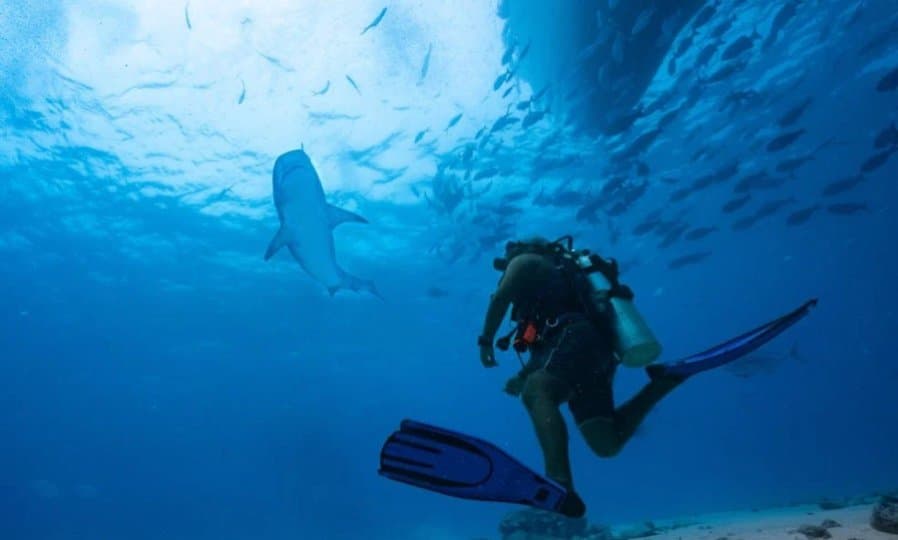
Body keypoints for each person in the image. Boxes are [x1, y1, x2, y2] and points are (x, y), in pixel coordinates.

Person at [476, 237, 684, 517]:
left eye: (509, 253)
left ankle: (559, 483)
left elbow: (500, 298)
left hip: (575, 338)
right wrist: (524, 374)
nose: (507, 260)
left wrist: (485, 341)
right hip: (596, 354)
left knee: (537, 392)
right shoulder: (554, 284)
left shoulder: (525, 261)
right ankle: (662, 384)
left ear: (525, 249)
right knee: (606, 442)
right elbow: (544, 343)